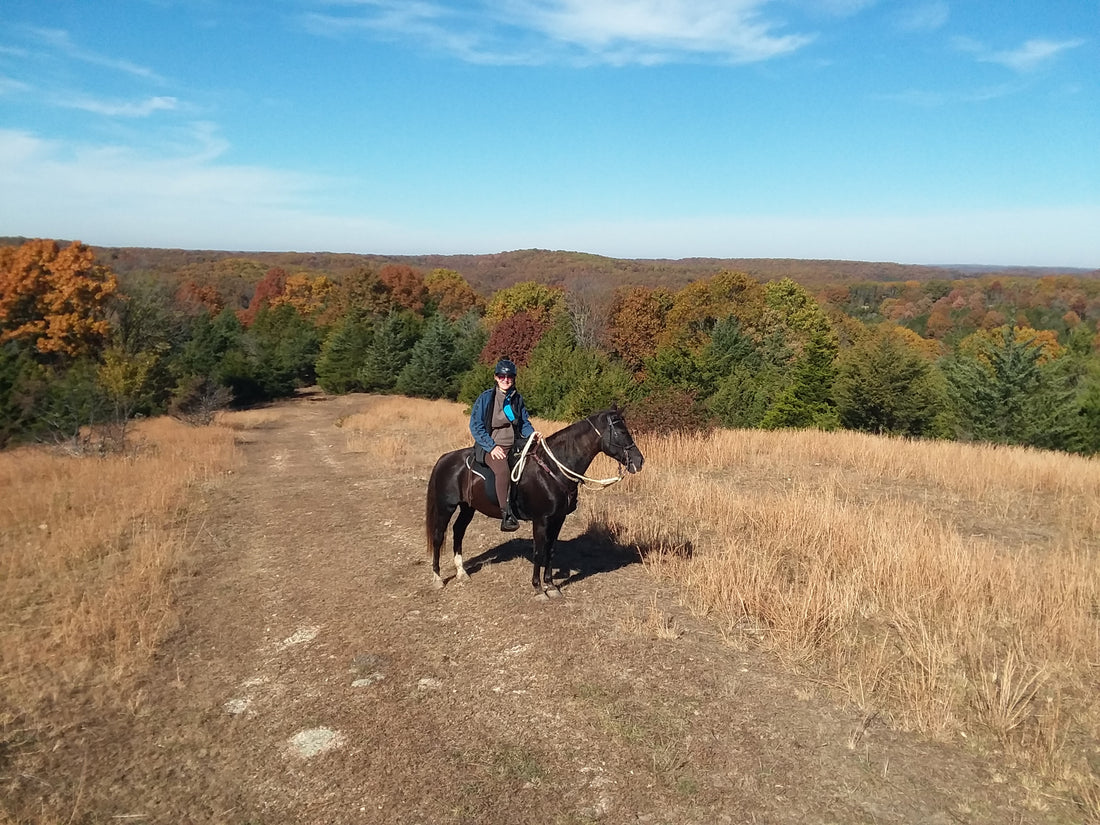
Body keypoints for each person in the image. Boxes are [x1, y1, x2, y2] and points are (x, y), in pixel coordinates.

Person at [469, 358, 539, 531]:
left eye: (509, 376)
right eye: (501, 376)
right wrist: (492, 447)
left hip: (515, 445)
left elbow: (524, 422)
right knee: (503, 471)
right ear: (495, 377)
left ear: (514, 378)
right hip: (491, 446)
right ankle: (506, 514)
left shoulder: (517, 398)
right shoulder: (486, 398)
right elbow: (475, 425)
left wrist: (533, 434)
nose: (505, 379)